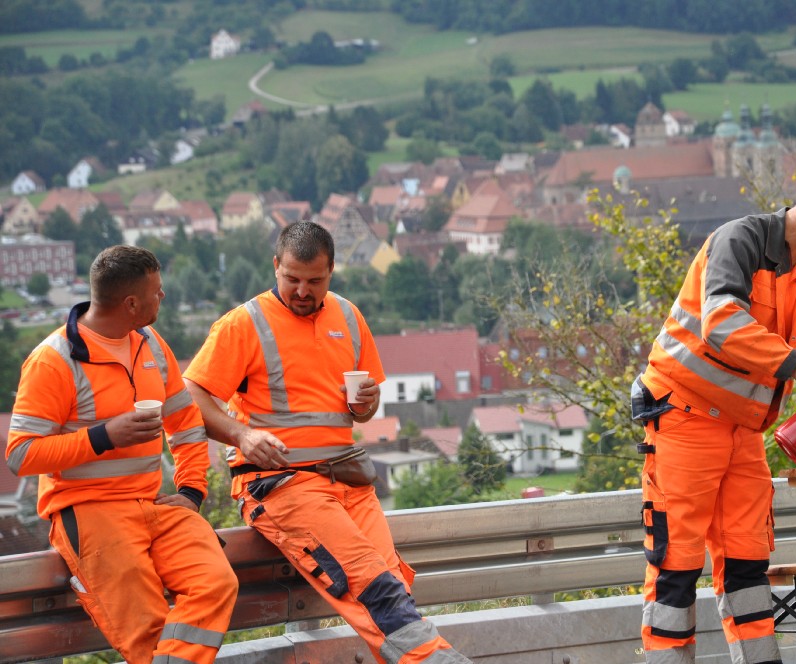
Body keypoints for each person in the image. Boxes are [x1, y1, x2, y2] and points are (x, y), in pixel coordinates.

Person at [183, 221, 471, 664]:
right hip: (281, 484)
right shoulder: (244, 324)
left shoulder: (349, 317)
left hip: (347, 479)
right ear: (275, 267)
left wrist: (368, 404)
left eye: (314, 281)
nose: (302, 290)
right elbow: (190, 398)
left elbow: (362, 410)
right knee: (376, 589)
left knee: (393, 587)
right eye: (291, 278)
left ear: (331, 271)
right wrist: (241, 434)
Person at [631, 171, 796, 663]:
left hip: (743, 429)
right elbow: (721, 321)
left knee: (748, 562)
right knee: (676, 563)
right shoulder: (739, 240)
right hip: (683, 416)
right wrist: (795, 366)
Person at [5, 245, 238, 664]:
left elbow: (185, 424)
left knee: (217, 583)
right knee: (146, 634)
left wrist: (190, 492)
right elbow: (20, 455)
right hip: (90, 514)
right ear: (131, 303)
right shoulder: (53, 361)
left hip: (154, 506)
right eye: (157, 292)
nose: (162, 297)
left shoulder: (149, 343)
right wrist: (102, 437)